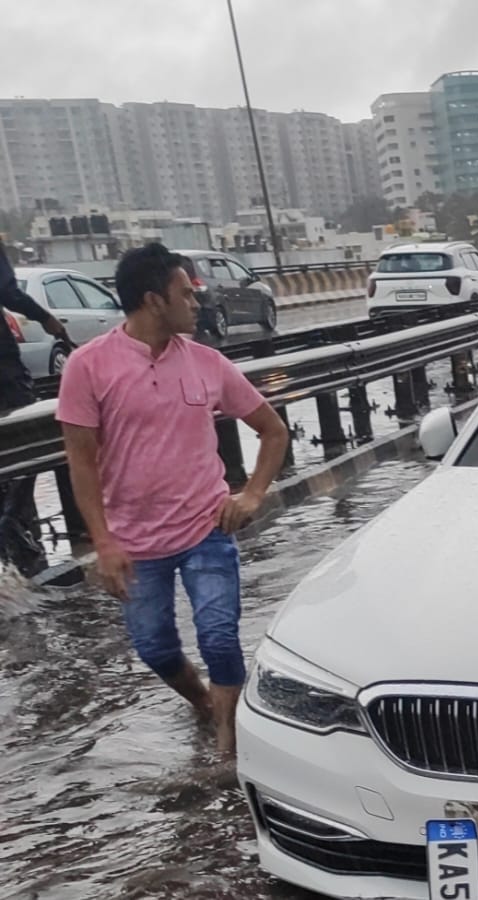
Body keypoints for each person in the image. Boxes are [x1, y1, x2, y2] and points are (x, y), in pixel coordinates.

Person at [56, 243, 289, 757]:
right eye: (186, 292)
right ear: (153, 300)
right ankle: (205, 704)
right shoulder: (88, 367)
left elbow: (272, 430)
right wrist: (104, 542)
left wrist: (252, 494)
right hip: (135, 541)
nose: (196, 301)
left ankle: (229, 747)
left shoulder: (208, 363)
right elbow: (80, 461)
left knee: (220, 637)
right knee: (155, 646)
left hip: (206, 527)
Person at [0, 241, 71, 575]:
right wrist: (45, 318)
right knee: (30, 437)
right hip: (3, 367)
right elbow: (8, 292)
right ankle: (13, 523)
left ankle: (13, 539)